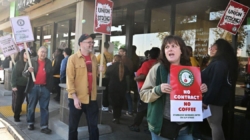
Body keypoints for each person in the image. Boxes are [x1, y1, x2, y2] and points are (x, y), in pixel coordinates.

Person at [139, 35, 207, 140]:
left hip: (185, 127)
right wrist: (158, 90)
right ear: (164, 52)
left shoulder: (190, 70)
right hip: (163, 126)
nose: (170, 48)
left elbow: (190, 96)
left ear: (181, 51)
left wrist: (201, 91)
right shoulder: (157, 69)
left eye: (174, 46)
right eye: (166, 47)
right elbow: (143, 95)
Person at [201, 39, 238, 140]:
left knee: (215, 125)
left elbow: (215, 84)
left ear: (219, 49)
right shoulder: (221, 63)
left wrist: (206, 101)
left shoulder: (219, 64)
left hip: (213, 101)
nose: (210, 48)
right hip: (215, 100)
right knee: (215, 124)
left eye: (213, 46)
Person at [66, 34, 99, 140]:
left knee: (93, 126)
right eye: (89, 42)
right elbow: (70, 79)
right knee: (73, 127)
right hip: (77, 98)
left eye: (92, 42)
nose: (91, 44)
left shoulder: (94, 58)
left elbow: (93, 76)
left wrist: (100, 70)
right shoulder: (73, 58)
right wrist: (74, 97)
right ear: (81, 44)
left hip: (91, 98)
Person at [23, 46, 53, 134]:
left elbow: (50, 76)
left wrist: (49, 89)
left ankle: (44, 126)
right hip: (33, 88)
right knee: (31, 107)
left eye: (45, 52)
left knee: (44, 108)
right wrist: (28, 71)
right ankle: (30, 123)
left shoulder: (49, 62)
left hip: (45, 88)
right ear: (38, 52)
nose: (43, 53)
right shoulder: (31, 61)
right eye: (42, 52)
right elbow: (24, 73)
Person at [129, 47, 160, 132]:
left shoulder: (147, 64)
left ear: (149, 55)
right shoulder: (160, 64)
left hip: (145, 89)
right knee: (151, 108)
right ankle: (149, 125)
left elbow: (143, 76)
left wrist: (135, 78)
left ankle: (136, 125)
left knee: (142, 108)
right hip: (156, 90)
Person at [106, 55, 130, 124]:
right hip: (122, 87)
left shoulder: (110, 67)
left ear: (114, 59)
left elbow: (107, 77)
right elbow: (127, 78)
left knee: (114, 102)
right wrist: (128, 88)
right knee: (120, 102)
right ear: (120, 60)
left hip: (112, 87)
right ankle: (118, 115)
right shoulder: (125, 67)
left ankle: (115, 117)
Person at [11, 50, 29, 122]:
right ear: (22, 54)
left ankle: (29, 116)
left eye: (28, 53)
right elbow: (14, 75)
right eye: (25, 53)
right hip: (19, 85)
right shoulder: (18, 63)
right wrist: (13, 85)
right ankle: (16, 116)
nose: (27, 55)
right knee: (18, 101)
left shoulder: (30, 63)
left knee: (29, 101)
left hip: (28, 85)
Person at [96, 42, 113, 112]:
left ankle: (102, 104)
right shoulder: (111, 55)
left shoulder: (100, 55)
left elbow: (95, 63)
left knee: (100, 90)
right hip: (109, 75)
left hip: (101, 75)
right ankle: (106, 105)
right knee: (106, 90)